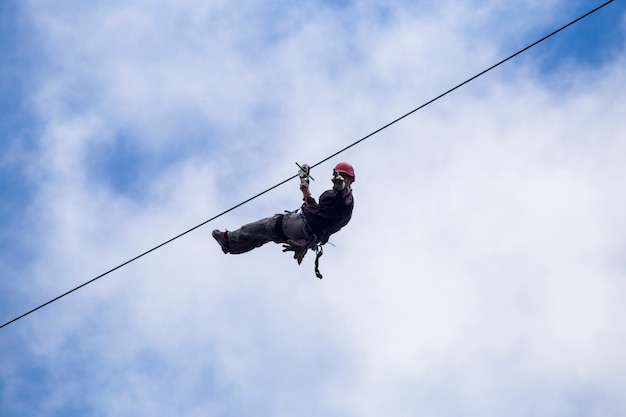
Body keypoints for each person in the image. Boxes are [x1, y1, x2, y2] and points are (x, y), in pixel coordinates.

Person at [212, 162, 355, 264]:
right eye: (338, 175)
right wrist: (305, 185)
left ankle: (228, 239)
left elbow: (345, 197)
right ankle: (231, 247)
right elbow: (315, 211)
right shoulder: (333, 205)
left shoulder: (345, 200)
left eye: (344, 176)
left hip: (300, 227)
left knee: (268, 225)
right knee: (264, 236)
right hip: (304, 236)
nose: (340, 177)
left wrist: (342, 187)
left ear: (350, 180)